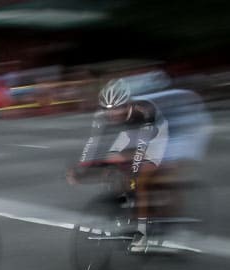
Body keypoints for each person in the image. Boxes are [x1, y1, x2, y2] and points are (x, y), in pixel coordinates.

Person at [67, 76, 212, 251]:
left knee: (144, 177)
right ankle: (129, 207)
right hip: (138, 131)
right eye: (109, 110)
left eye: (119, 108)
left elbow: (144, 148)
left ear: (128, 103)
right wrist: (82, 167)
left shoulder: (144, 110)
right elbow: (93, 143)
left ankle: (146, 234)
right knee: (114, 162)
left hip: (170, 129)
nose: (113, 114)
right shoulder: (102, 115)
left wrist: (135, 172)